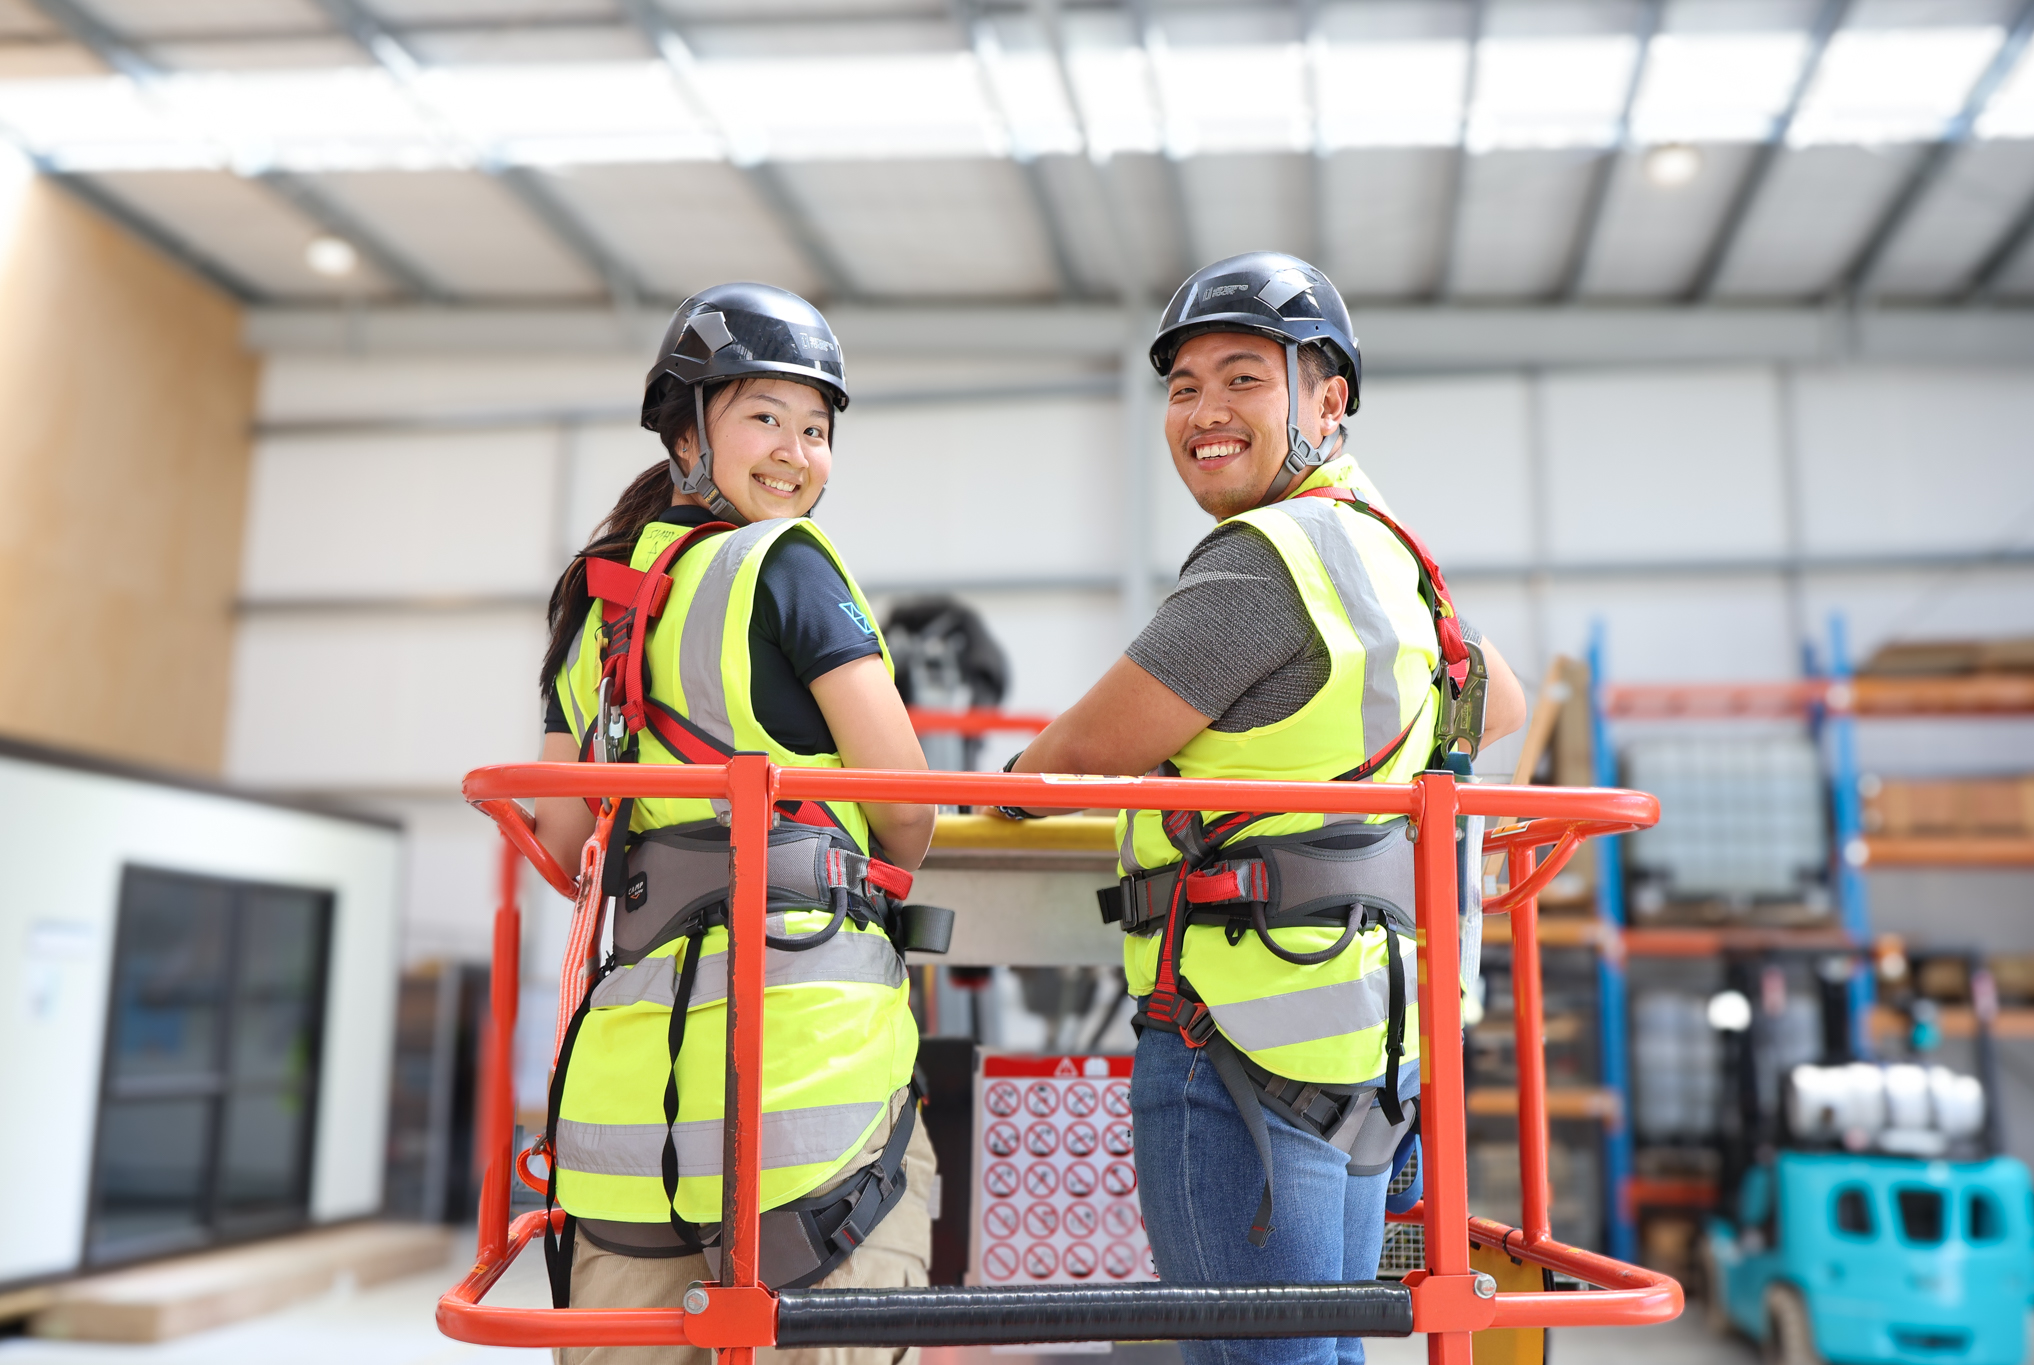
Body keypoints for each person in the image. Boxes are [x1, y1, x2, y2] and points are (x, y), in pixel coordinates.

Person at [1005, 253, 1527, 1365]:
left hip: (1230, 1036)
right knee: (1321, 1357)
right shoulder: (1387, 547)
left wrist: (997, 796)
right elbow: (1501, 697)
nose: (1202, 413)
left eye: (1241, 379)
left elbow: (1083, 754)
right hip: (1363, 1049)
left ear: (1326, 397)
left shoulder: (1263, 562)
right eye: (1182, 387)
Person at [533, 283, 937, 1365]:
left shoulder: (596, 600)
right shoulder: (785, 562)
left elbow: (558, 839)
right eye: (764, 417)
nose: (795, 453)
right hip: (808, 1093)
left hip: (628, 1121)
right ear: (685, 430)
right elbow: (906, 808)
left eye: (816, 428)